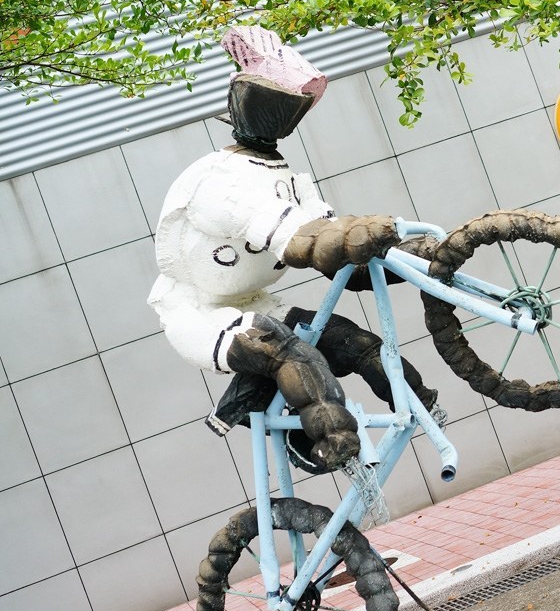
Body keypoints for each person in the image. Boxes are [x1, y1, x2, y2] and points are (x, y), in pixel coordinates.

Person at [149, 26, 439, 474]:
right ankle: (330, 440)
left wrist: (415, 257)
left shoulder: (285, 176)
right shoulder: (217, 181)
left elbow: (342, 261)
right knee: (289, 353)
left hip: (258, 302)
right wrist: (349, 236)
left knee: (357, 344)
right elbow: (306, 242)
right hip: (201, 313)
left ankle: (419, 404)